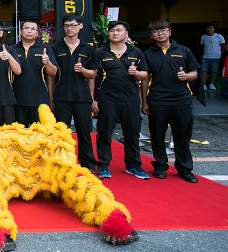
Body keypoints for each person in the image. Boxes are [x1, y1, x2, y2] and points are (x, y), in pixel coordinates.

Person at [88, 20, 149, 180]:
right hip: (107, 98)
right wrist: (93, 99)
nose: (115, 33)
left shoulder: (136, 52)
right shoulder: (100, 52)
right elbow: (92, 76)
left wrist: (136, 73)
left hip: (130, 98)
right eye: (112, 30)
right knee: (104, 132)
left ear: (126, 33)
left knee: (132, 132)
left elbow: (145, 74)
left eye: (119, 30)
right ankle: (103, 164)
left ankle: (133, 165)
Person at [141, 20, 199, 183]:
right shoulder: (148, 54)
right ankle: (160, 166)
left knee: (182, 135)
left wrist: (186, 76)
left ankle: (185, 168)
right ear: (151, 35)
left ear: (170, 32)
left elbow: (194, 73)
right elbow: (145, 79)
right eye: (156, 31)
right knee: (157, 134)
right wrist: (144, 102)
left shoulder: (183, 50)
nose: (160, 33)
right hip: (157, 99)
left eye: (163, 30)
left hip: (181, 99)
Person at [50, 13, 97, 172]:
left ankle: (88, 165)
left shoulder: (88, 49)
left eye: (73, 25)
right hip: (61, 97)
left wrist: (83, 70)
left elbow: (93, 75)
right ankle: (61, 164)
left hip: (82, 98)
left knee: (84, 133)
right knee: (61, 134)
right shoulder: (55, 48)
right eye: (67, 25)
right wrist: (51, 98)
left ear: (80, 26)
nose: (70, 28)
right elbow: (51, 75)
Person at [10, 20, 58, 126]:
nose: (29, 31)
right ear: (20, 31)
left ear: (37, 33)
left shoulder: (45, 49)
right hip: (17, 99)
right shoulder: (12, 49)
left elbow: (53, 72)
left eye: (33, 29)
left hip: (39, 99)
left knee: (38, 133)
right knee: (20, 133)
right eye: (26, 28)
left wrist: (47, 62)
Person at [200, 24, 225, 90]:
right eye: (208, 28)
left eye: (211, 28)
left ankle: (212, 84)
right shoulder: (203, 37)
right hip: (205, 56)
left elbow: (223, 46)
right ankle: (203, 85)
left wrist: (220, 53)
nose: (209, 29)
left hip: (216, 56)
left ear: (214, 29)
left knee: (214, 70)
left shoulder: (219, 36)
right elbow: (203, 46)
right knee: (203, 70)